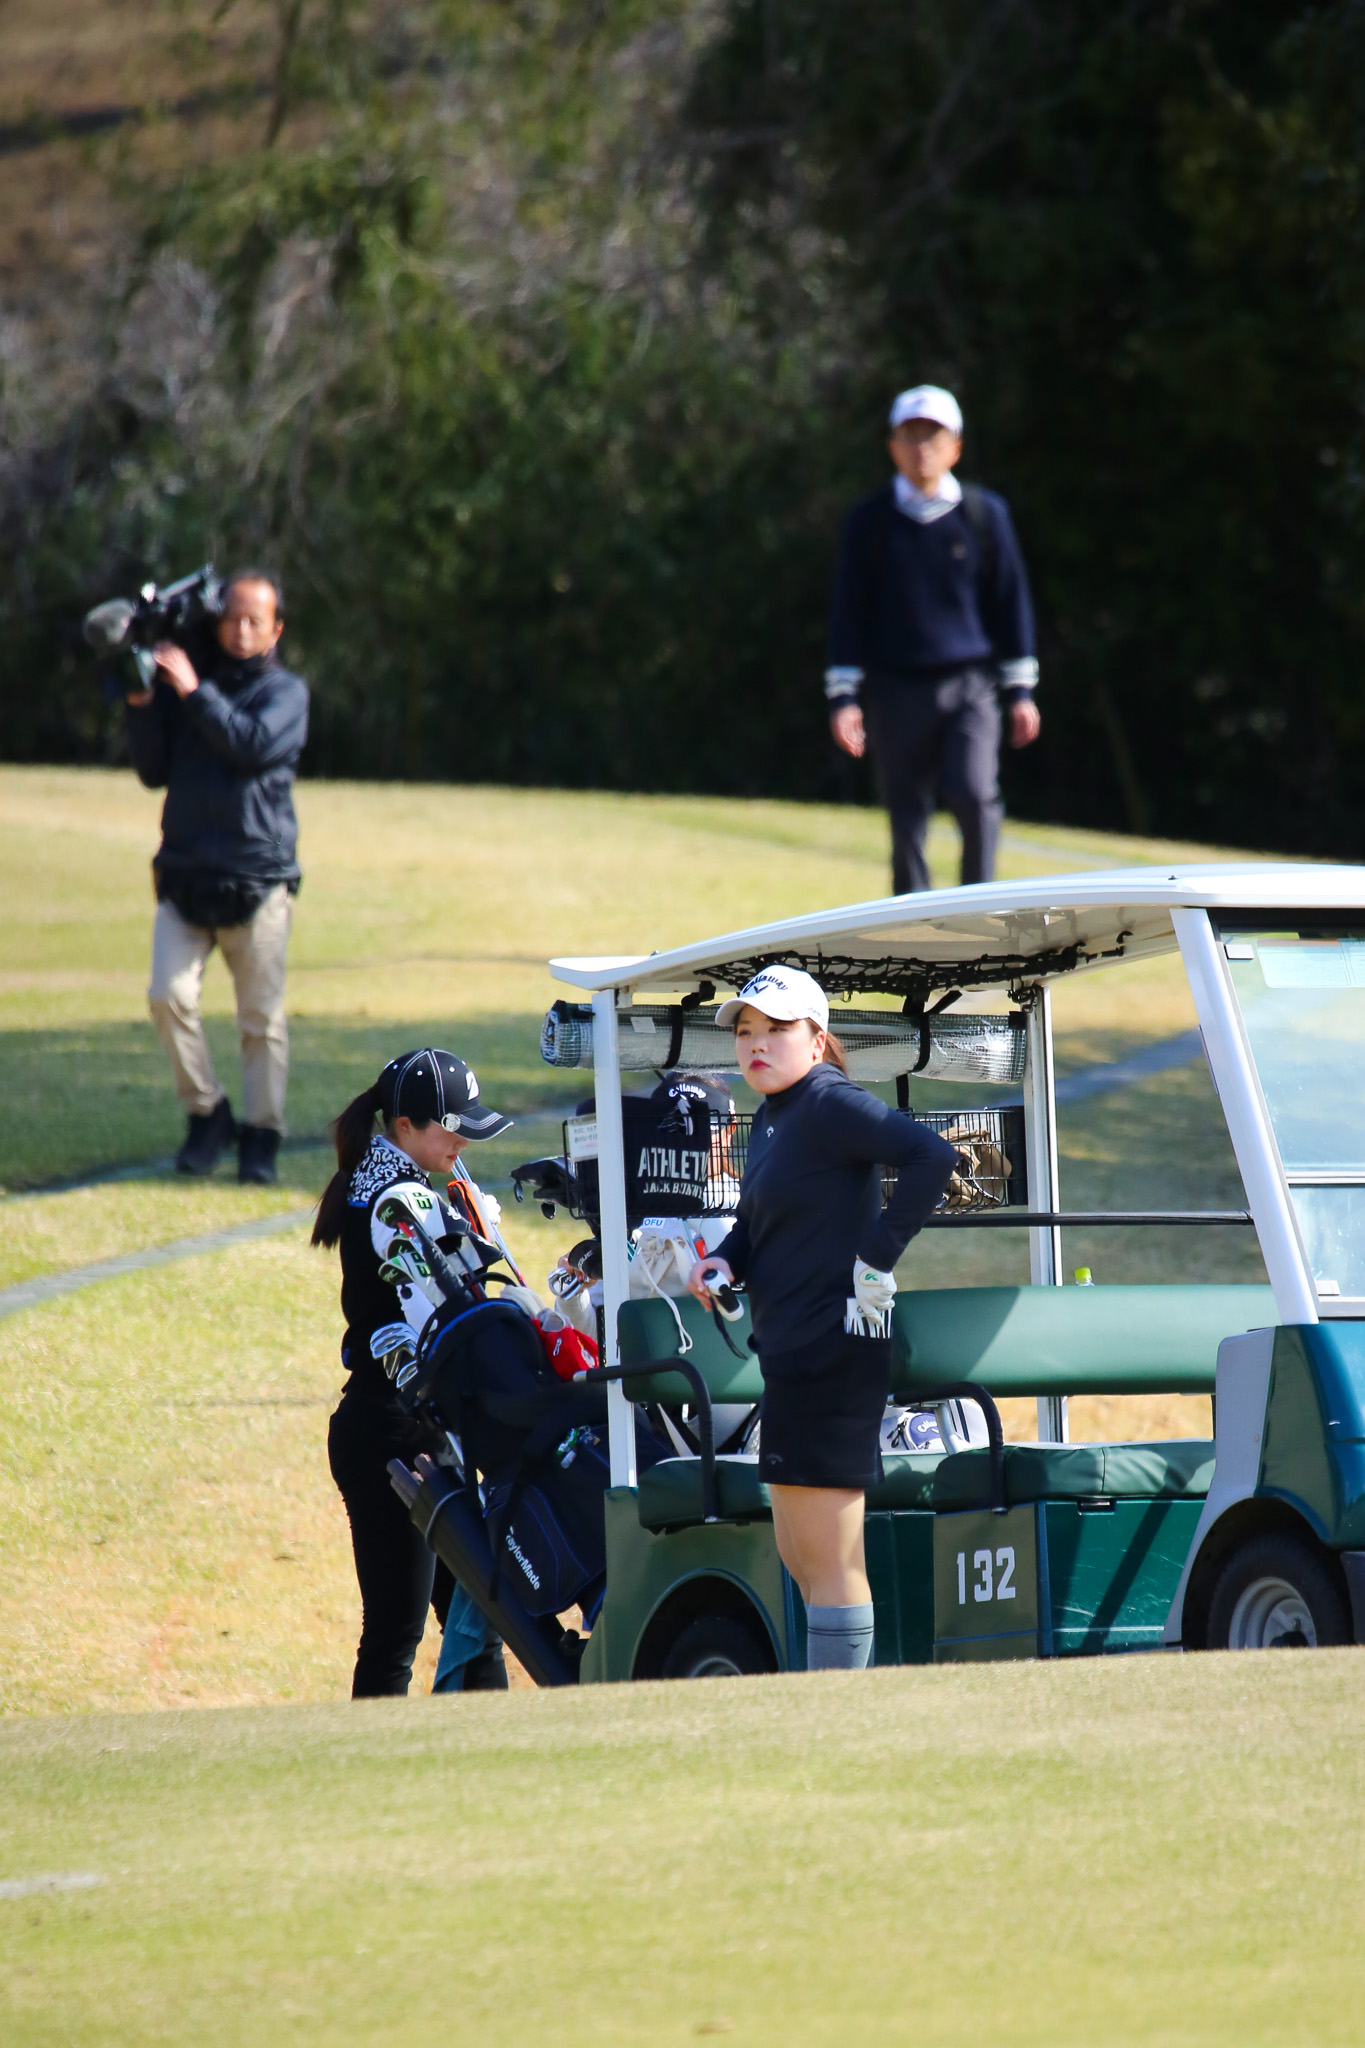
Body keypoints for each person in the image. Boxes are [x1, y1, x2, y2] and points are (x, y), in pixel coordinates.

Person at [686, 967, 957, 1671]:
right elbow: (753, 1224)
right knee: (799, 1554)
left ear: (816, 1039)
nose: (756, 1044)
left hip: (835, 1354)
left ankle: (838, 1715)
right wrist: (721, 1262)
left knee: (832, 1558)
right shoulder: (773, 1116)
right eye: (746, 1031)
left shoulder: (828, 1100)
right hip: (789, 1353)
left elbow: (932, 1156)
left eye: (776, 1029)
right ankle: (822, 1706)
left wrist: (875, 1257)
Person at [312, 1047, 513, 1698]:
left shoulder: (388, 1181)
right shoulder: (402, 1203)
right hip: (392, 1434)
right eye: (448, 1127)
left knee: (473, 1612)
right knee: (403, 1630)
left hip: (400, 1429)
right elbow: (455, 1309)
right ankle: (376, 1774)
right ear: (403, 1127)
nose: (460, 1140)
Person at [124, 570, 309, 1184]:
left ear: (276, 629)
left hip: (257, 883)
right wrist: (146, 700)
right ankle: (208, 1114)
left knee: (260, 1021)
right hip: (184, 877)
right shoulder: (186, 686)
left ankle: (261, 1137)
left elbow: (248, 744)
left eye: (256, 619)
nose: (241, 628)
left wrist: (192, 688)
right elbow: (153, 770)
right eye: (231, 616)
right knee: (166, 997)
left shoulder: (286, 695)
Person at [825, 385, 1042, 894]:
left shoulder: (984, 516)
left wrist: (1021, 692)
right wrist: (843, 698)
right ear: (892, 445)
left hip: (970, 683)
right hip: (895, 687)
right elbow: (847, 613)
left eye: (933, 435)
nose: (921, 446)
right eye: (910, 435)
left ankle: (979, 909)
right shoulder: (870, 521)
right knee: (906, 812)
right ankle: (914, 930)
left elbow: (1011, 603)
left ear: (956, 447)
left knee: (973, 793)